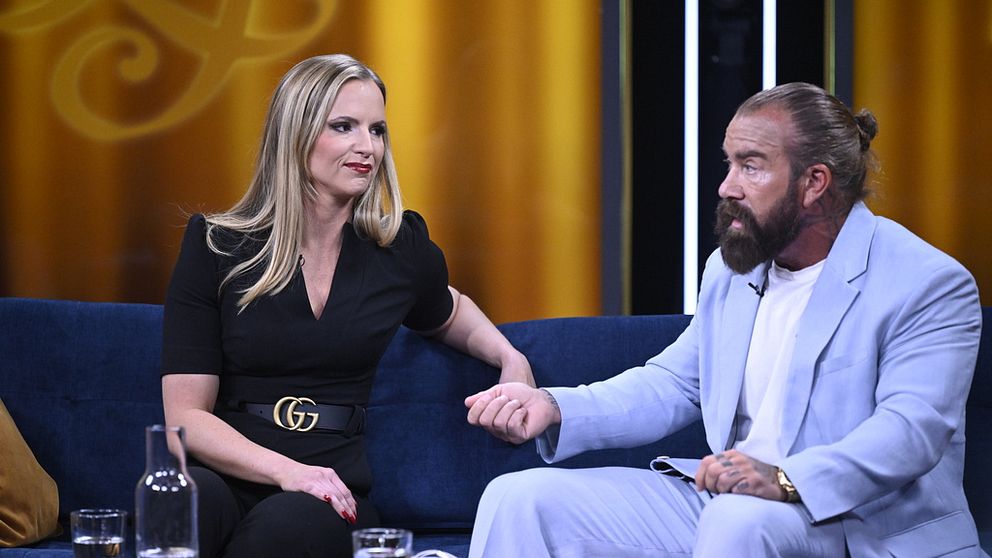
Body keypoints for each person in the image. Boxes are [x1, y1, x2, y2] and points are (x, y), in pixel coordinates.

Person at [465, 82, 985, 557]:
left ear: (814, 183)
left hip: (861, 525)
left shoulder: (926, 283)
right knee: (521, 498)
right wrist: (556, 406)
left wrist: (783, 479)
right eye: (729, 163)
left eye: (750, 166)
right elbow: (677, 383)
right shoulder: (733, 269)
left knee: (738, 521)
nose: (726, 186)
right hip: (733, 507)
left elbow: (910, 432)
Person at [160, 53, 534, 558]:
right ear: (296, 134)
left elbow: (449, 311)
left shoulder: (398, 248)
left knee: (284, 527)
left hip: (330, 488)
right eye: (344, 127)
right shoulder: (217, 246)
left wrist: (511, 359)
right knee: (182, 501)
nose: (368, 147)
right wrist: (288, 472)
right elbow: (184, 420)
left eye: (377, 130)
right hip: (230, 471)